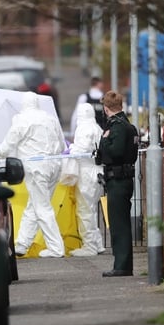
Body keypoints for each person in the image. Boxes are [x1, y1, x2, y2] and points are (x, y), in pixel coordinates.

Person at [0, 91, 66, 258]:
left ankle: (56, 248)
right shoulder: (50, 119)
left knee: (42, 207)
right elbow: (62, 145)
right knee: (34, 205)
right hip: (54, 165)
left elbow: (8, 145)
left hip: (36, 169)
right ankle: (22, 244)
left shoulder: (21, 120)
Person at [96, 91, 138, 277]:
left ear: (106, 108)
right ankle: (122, 264)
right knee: (119, 222)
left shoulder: (117, 127)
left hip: (118, 179)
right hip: (122, 178)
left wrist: (104, 141)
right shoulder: (127, 125)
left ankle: (122, 265)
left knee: (118, 224)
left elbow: (116, 151)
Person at [67, 103, 106, 257]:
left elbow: (81, 150)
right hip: (97, 172)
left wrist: (70, 149)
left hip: (86, 173)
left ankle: (89, 246)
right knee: (92, 209)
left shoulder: (84, 129)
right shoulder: (97, 128)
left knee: (85, 210)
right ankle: (98, 243)